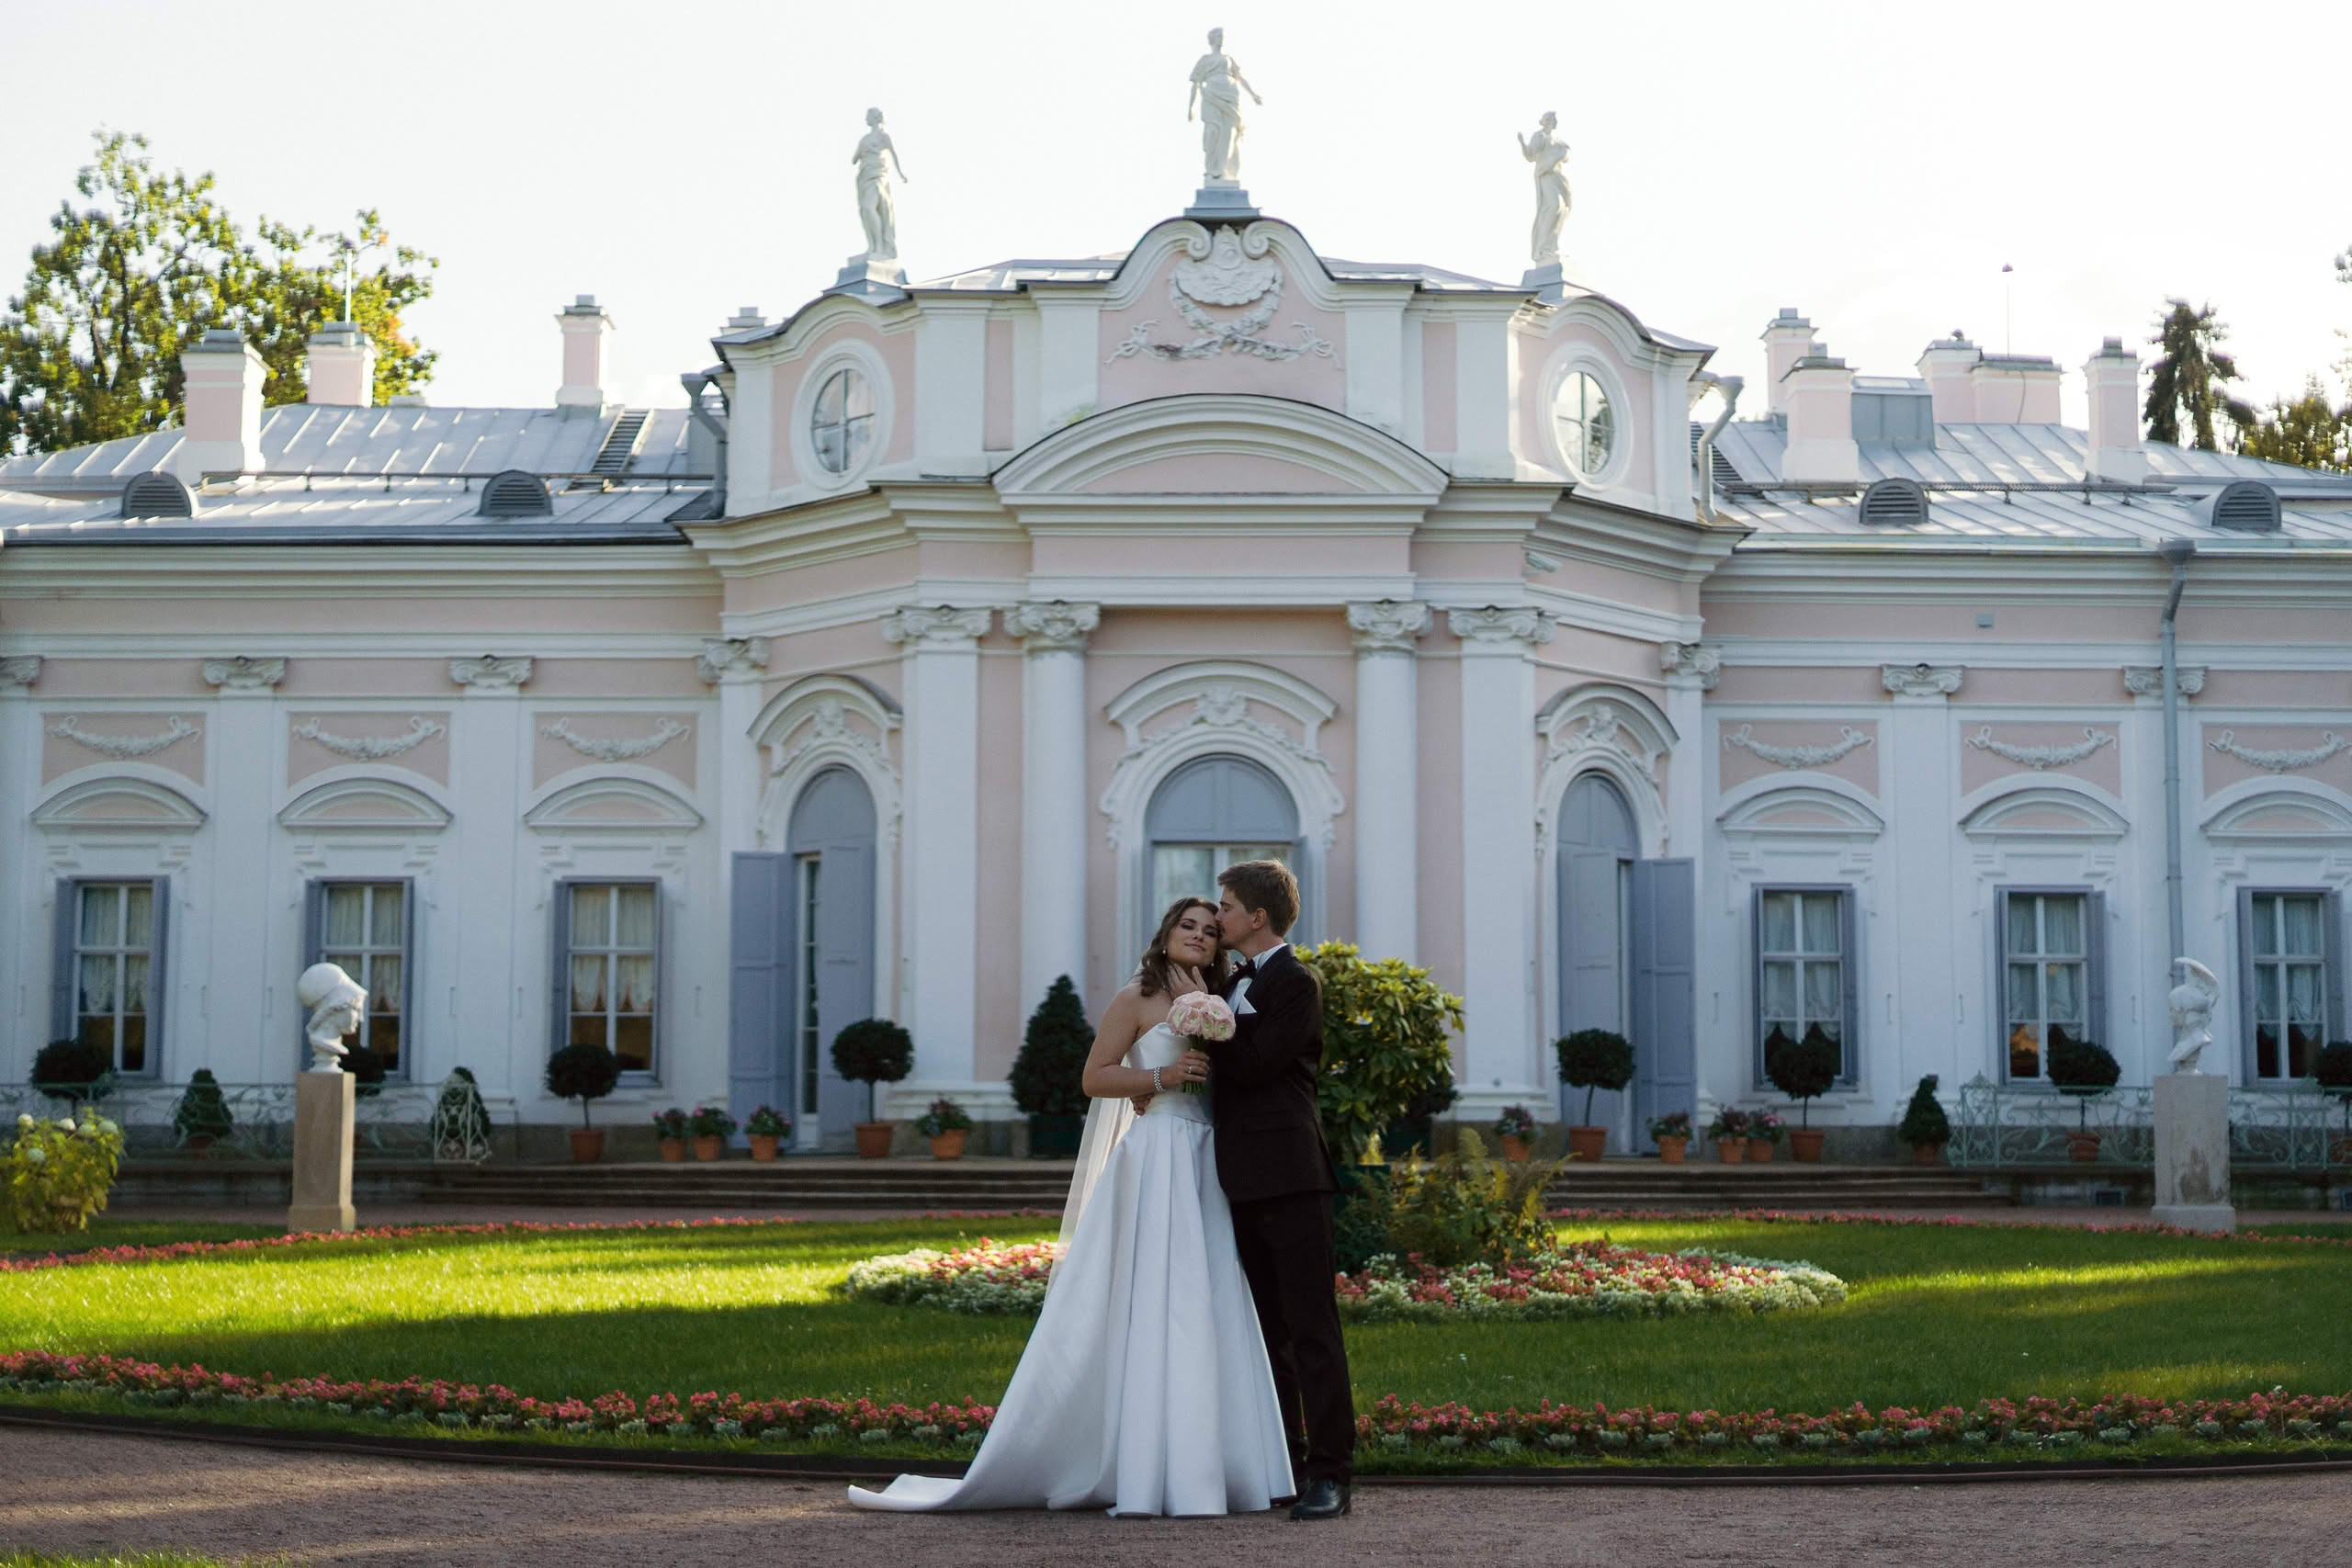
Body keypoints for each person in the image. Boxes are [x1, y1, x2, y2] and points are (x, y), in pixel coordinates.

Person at [847, 897, 1294, 1517]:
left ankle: (1217, 1464)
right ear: (1165, 934)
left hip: (1208, 1160)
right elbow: (1094, 1077)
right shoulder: (1135, 996)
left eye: (1211, 930)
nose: (1199, 935)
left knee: (1210, 1298)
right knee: (1154, 1300)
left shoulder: (1226, 1001)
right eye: (1187, 925)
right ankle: (1137, 1460)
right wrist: (1157, 1082)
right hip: (1158, 1155)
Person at [1199, 859, 1355, 1518]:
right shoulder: (1230, 981)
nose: (1218, 916)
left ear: (1257, 916)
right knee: (1267, 1333)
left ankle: (1332, 1474)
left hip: (1293, 1176)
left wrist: (1210, 1022)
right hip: (1238, 1177)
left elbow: (1261, 1064)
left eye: (1227, 905)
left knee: (1312, 1327)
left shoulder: (1297, 982)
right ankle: (1285, 1464)